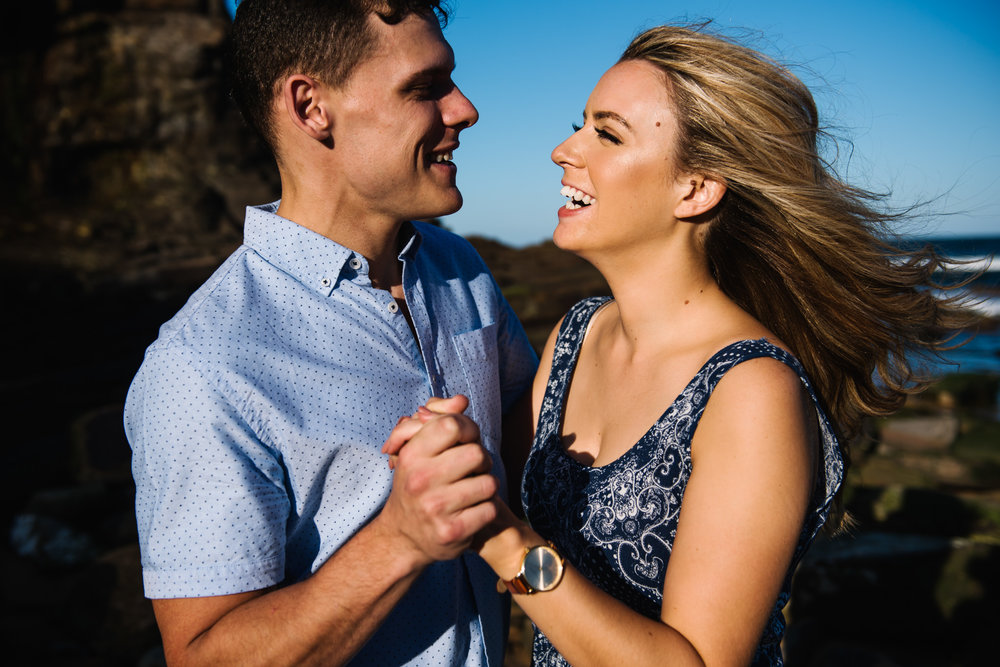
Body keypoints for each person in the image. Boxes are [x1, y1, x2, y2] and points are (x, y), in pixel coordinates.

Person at [385, 24, 976, 666]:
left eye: (607, 134)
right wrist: (451, 452)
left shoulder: (751, 390)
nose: (563, 150)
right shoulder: (577, 335)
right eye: (579, 124)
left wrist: (503, 540)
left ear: (695, 188)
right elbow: (495, 485)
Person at [123, 1, 537, 665]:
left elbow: (528, 437)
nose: (464, 111)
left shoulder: (459, 268)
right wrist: (399, 540)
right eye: (425, 88)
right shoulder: (201, 365)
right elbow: (202, 655)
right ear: (312, 107)